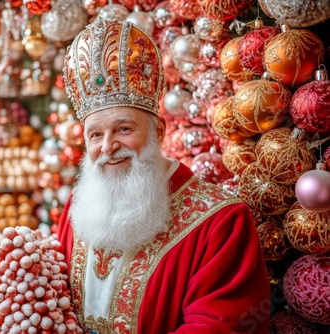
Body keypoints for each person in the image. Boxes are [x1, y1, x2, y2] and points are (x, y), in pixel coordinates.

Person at [57, 17, 271, 334]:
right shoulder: (77, 207)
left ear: (158, 130)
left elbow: (222, 326)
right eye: (95, 135)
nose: (108, 146)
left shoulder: (222, 221)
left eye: (124, 129)